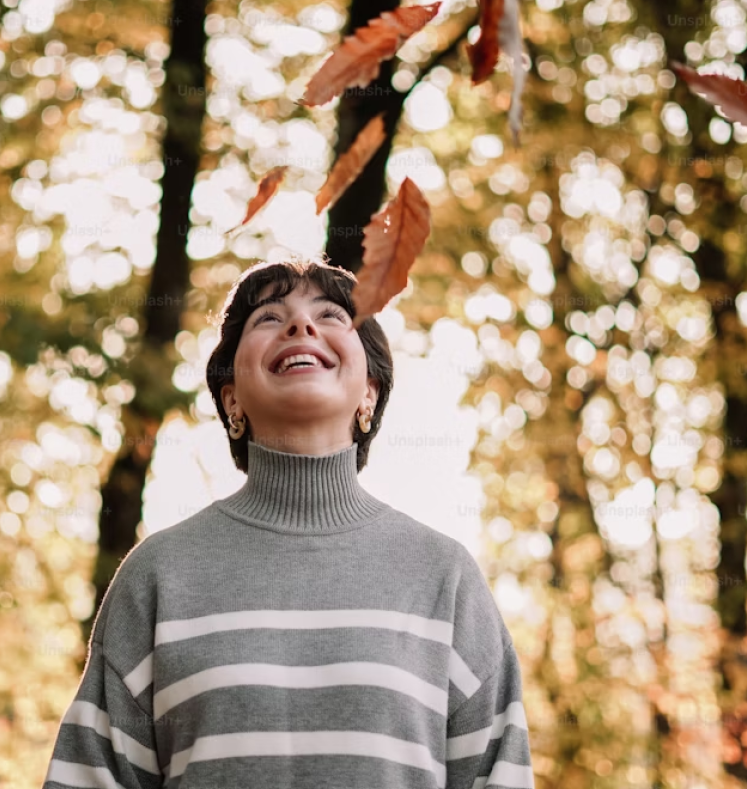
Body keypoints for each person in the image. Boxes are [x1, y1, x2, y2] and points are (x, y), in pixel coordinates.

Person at [43, 255, 533, 789]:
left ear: (370, 391)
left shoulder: (445, 576)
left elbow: (498, 776)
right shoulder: (159, 575)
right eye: (269, 319)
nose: (301, 326)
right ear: (231, 397)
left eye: (331, 316)